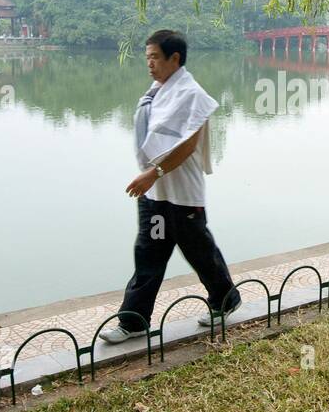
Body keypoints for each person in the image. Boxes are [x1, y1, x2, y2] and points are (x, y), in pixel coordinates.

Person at [100, 30, 241, 344]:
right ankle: (134, 322)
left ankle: (226, 298)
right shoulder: (157, 91)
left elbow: (189, 145)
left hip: (181, 195)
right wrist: (151, 177)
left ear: (174, 58)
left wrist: (154, 172)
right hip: (155, 196)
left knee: (199, 252)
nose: (149, 64)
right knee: (149, 254)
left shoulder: (191, 95)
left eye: (155, 57)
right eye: (147, 57)